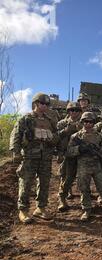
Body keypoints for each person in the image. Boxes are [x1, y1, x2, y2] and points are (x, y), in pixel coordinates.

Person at [10, 93, 59, 223]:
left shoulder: (50, 121)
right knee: (26, 182)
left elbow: (56, 136)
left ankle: (41, 208)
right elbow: (16, 135)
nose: (44, 106)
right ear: (36, 104)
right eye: (42, 103)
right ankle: (23, 210)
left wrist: (52, 139)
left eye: (47, 104)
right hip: (30, 156)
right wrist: (16, 152)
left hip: (46, 157)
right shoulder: (26, 118)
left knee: (44, 183)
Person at [67, 112, 102, 221]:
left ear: (94, 123)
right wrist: (80, 149)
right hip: (83, 166)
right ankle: (86, 209)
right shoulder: (76, 136)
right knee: (84, 188)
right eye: (86, 122)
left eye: (90, 122)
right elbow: (69, 151)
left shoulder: (100, 136)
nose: (88, 124)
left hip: (97, 165)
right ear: (82, 122)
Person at [57, 102, 83, 211]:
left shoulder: (84, 122)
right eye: (72, 110)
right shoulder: (62, 123)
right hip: (68, 154)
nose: (74, 112)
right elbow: (55, 137)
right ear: (68, 111)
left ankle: (84, 199)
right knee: (67, 178)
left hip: (82, 154)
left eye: (77, 110)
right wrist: (66, 131)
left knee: (84, 178)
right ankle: (62, 199)